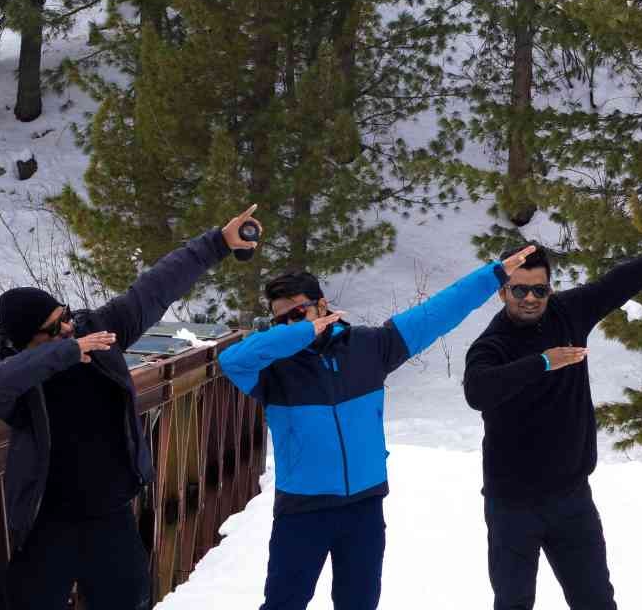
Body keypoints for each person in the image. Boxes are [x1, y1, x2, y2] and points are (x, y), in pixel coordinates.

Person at [218, 245, 540, 610]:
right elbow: (231, 360)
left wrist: (493, 275)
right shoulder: (273, 369)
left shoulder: (369, 347)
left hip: (364, 509)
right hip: (302, 511)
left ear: (322, 303)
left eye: (299, 311)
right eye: (282, 319)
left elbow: (436, 314)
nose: (291, 322)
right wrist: (302, 332)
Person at [0, 205, 263, 610]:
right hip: (47, 524)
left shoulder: (97, 330)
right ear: (27, 339)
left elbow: (154, 289)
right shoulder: (9, 372)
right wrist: (67, 352)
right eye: (54, 326)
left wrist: (218, 242)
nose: (67, 326)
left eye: (64, 315)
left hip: (111, 515)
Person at [463, 224, 642, 610]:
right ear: (502, 292)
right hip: (512, 506)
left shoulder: (568, 313)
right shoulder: (492, 344)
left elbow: (620, 281)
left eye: (540, 289)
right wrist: (543, 363)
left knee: (596, 601)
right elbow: (477, 391)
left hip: (571, 498)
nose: (531, 298)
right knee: (513, 603)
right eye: (520, 290)